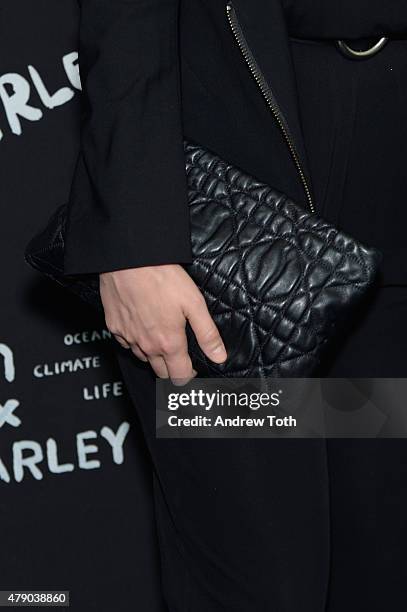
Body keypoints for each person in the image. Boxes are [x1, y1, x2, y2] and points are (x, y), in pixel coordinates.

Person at [63, 1, 407, 610]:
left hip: (391, 171)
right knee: (263, 580)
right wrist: (137, 239)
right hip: (237, 212)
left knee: (378, 561)